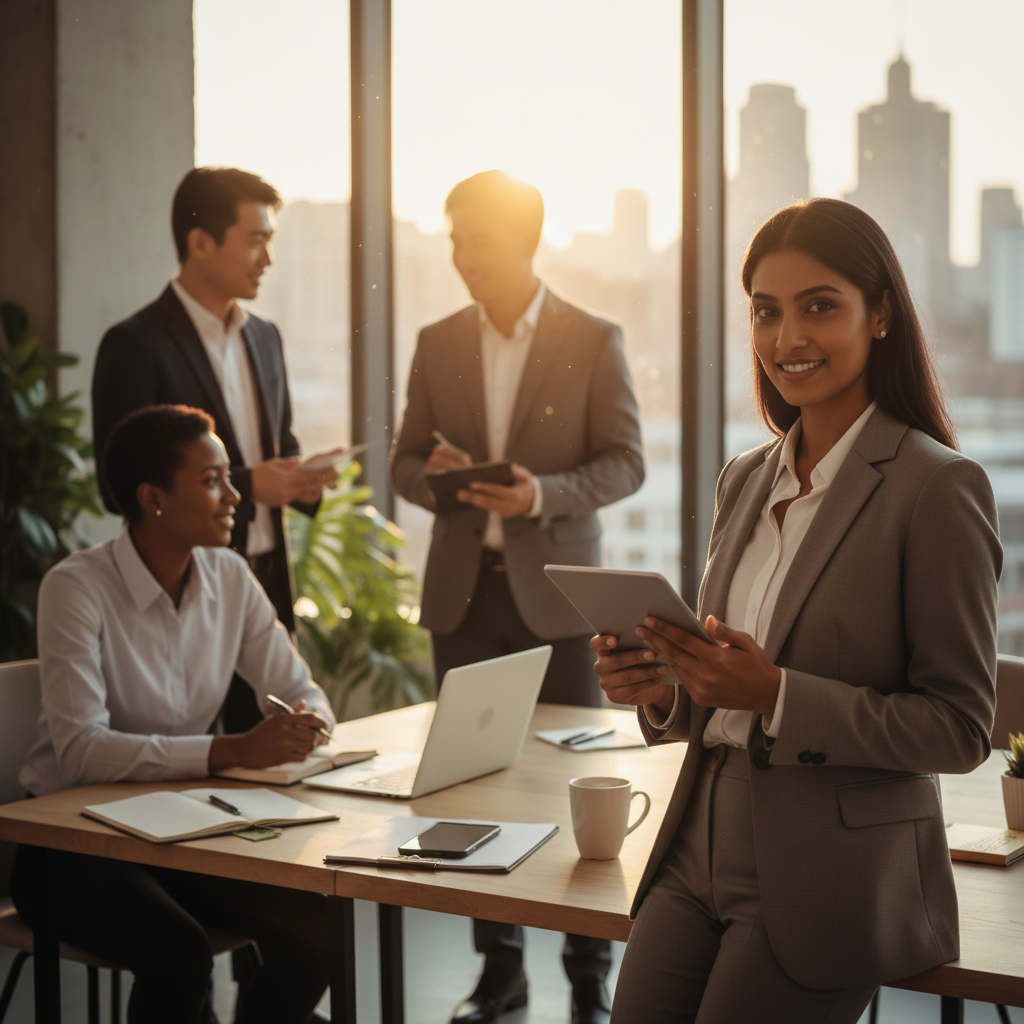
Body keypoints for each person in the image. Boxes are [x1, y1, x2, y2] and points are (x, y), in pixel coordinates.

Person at [593, 197, 1001, 1024]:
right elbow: (719, 691)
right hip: (692, 841)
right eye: (767, 312)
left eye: (820, 306)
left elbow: (959, 728)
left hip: (828, 867)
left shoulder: (937, 488)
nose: (789, 339)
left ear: (880, 313)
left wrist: (775, 694)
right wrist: (664, 689)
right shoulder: (746, 476)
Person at [390, 170, 645, 1024]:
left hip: (562, 601)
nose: (463, 257)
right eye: (455, 241)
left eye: (479, 242)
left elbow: (625, 460)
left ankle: (588, 977)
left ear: (525, 241)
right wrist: (439, 482)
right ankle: (500, 978)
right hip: (465, 600)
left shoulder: (594, 336)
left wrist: (540, 493)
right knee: (470, 791)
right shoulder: (436, 340)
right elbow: (401, 462)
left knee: (579, 786)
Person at [12, 405, 336, 1024]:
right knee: (181, 955)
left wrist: (308, 721)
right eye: (212, 479)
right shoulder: (76, 588)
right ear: (153, 498)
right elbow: (81, 749)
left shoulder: (231, 576)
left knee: (320, 923)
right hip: (72, 847)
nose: (234, 494)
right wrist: (230, 750)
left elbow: (301, 687)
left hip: (183, 833)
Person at [91, 166, 335, 734]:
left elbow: (280, 445)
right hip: (180, 584)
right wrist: (251, 485)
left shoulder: (265, 337)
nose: (267, 260)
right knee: (190, 750)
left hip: (265, 583)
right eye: (256, 241)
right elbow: (117, 486)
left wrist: (302, 479)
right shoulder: (134, 344)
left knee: (278, 753)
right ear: (200, 243)